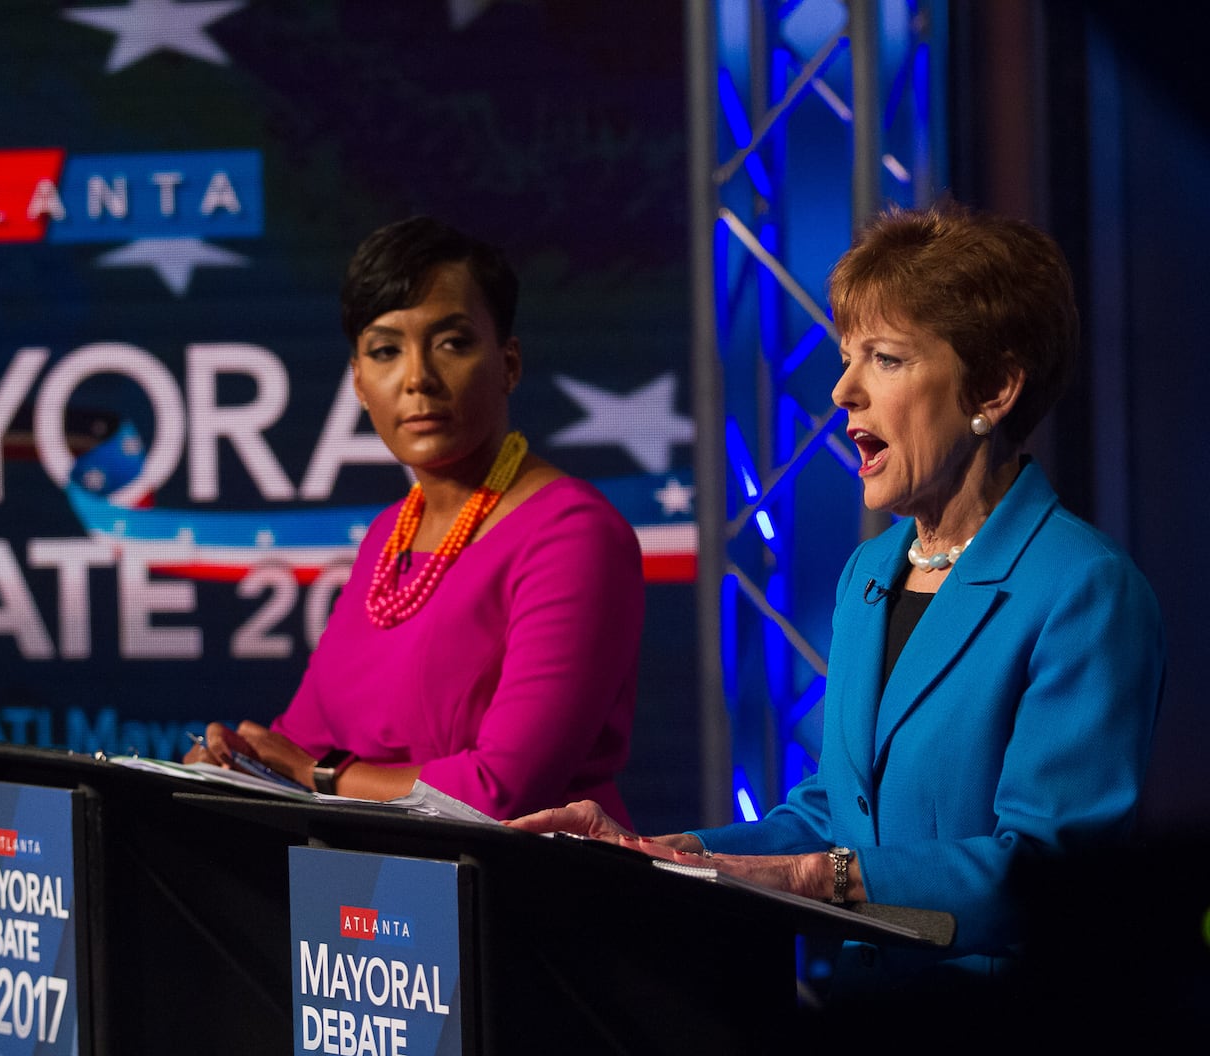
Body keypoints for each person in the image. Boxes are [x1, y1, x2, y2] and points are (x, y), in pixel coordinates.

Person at [507, 201, 1166, 998]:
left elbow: (1045, 870)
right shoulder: (868, 573)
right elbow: (831, 814)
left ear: (993, 386)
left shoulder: (1083, 589)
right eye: (846, 355)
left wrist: (818, 877)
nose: (841, 389)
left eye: (884, 359)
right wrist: (665, 853)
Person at [186, 216, 646, 824]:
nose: (417, 378)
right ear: (357, 380)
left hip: (532, 893)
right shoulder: (390, 534)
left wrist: (319, 777)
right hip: (375, 897)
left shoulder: (573, 534)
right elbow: (299, 742)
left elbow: (501, 790)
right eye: (384, 351)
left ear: (508, 364)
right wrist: (234, 759)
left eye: (452, 342)